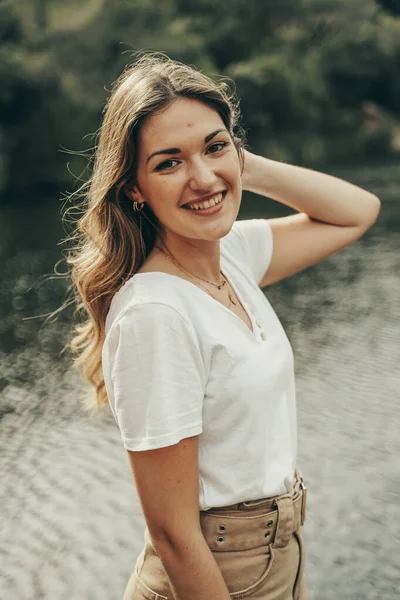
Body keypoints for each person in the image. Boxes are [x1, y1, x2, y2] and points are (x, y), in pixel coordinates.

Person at [67, 52, 380, 600]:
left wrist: (240, 165)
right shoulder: (155, 315)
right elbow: (172, 531)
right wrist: (218, 159)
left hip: (276, 552)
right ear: (133, 188)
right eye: (169, 163)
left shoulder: (228, 253)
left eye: (214, 147)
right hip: (217, 571)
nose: (203, 178)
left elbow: (358, 210)